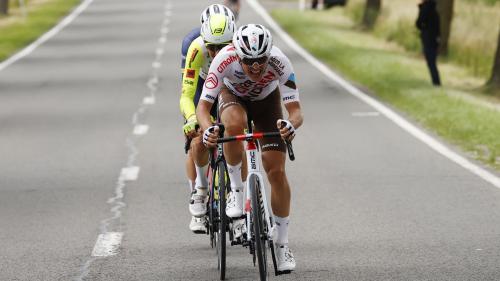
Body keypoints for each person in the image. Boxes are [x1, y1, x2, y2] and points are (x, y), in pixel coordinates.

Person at [196, 24, 303, 273]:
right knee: (234, 124)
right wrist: (209, 129)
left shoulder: (280, 62)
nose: (256, 68)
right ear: (237, 54)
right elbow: (203, 108)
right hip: (232, 96)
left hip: (267, 102)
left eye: (261, 61)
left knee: (275, 170)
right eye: (249, 62)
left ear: (269, 55)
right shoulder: (224, 60)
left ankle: (282, 243)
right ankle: (236, 189)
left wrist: (290, 125)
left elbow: (296, 111)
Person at [179, 4, 236, 233]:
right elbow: (186, 94)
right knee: (197, 139)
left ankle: (237, 194)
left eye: (224, 47)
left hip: (229, 87)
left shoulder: (240, 48)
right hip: (203, 88)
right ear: (204, 41)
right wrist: (192, 119)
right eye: (212, 48)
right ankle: (200, 190)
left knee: (236, 135)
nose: (217, 53)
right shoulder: (193, 48)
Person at [416, 0, 441, 86]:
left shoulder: (425, 8)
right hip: (434, 38)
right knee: (432, 60)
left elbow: (418, 23)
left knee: (430, 61)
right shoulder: (435, 10)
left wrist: (423, 28)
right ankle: (436, 80)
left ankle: (436, 82)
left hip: (427, 37)